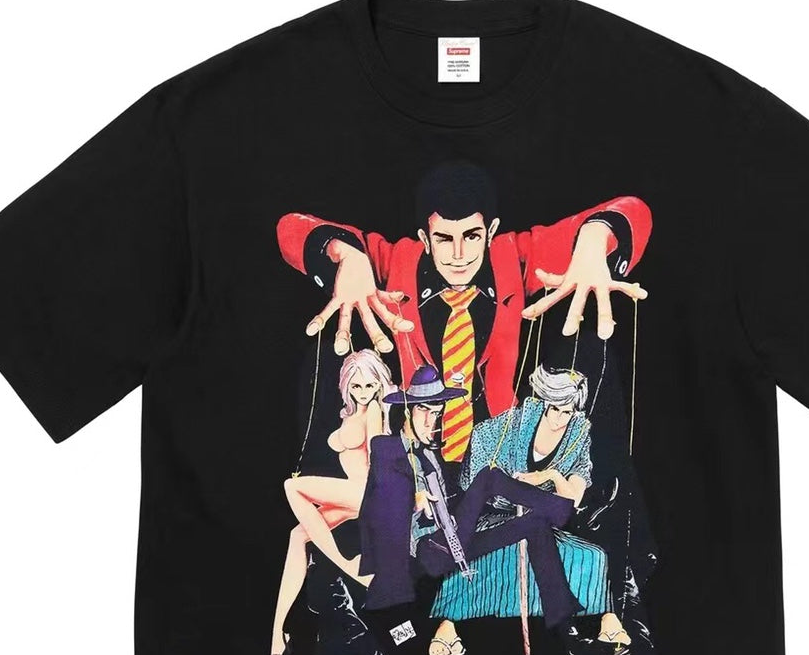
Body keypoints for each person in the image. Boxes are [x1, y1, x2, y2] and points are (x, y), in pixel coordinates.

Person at [275, 160, 652, 462]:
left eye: (472, 236)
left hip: (500, 447)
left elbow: (633, 209)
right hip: (419, 447)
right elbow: (289, 227)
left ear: (491, 232)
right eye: (444, 239)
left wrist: (594, 239)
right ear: (425, 240)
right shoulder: (398, 262)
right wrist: (346, 254)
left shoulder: (513, 257)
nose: (459, 255)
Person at [355, 365, 583, 638]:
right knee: (488, 477)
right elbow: (386, 497)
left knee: (534, 524)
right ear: (406, 411)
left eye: (436, 413)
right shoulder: (386, 449)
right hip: (425, 555)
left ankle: (563, 620)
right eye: (424, 411)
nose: (431, 422)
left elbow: (449, 501)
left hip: (451, 544)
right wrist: (413, 501)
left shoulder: (429, 455)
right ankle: (565, 511)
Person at [427, 365, 631, 655]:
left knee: (591, 555)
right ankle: (448, 626)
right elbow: (477, 479)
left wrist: (549, 475)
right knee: (484, 554)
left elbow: (573, 498)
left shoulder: (578, 433)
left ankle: (601, 623)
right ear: (544, 402)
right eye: (554, 409)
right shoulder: (513, 423)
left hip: (541, 518)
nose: (559, 419)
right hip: (494, 514)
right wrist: (512, 488)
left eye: (567, 412)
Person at [268, 348, 394, 655]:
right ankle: (276, 635)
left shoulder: (375, 411)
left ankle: (348, 566)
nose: (363, 392)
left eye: (370, 385)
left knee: (292, 487)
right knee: (298, 535)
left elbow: (378, 456)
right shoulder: (351, 412)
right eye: (357, 386)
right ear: (346, 385)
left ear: (379, 384)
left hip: (365, 494)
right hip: (352, 494)